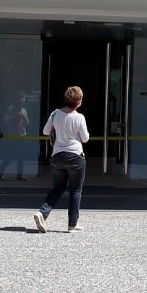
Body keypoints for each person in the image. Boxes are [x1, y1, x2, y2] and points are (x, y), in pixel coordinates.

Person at [34, 85, 89, 233]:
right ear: (78, 101)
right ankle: (72, 224)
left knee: (58, 188)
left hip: (57, 156)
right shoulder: (79, 117)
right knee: (75, 190)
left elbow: (46, 131)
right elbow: (85, 138)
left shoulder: (55, 114)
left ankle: (42, 213)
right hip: (75, 157)